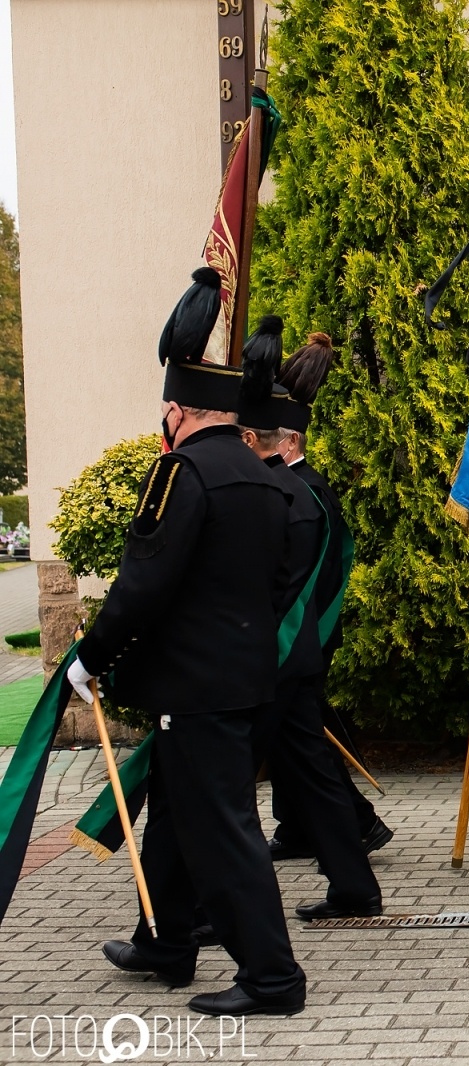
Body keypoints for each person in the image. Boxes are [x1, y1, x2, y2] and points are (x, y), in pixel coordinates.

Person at [66, 268, 307, 1016]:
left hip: (194, 688)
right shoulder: (268, 479)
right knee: (180, 816)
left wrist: (91, 656)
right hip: (241, 677)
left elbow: (144, 584)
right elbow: (273, 586)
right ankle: (167, 941)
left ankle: (272, 978)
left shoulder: (180, 474)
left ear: (176, 411)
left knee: (224, 833)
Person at [236, 325, 383, 922]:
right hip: (290, 659)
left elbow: (283, 590)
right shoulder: (296, 489)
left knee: (222, 786)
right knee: (315, 776)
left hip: (271, 659)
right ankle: (353, 885)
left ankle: (203, 908)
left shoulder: (292, 494)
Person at [263, 333, 394, 861]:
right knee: (291, 739)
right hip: (295, 635)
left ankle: (359, 824)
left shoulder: (305, 492)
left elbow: (311, 578)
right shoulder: (293, 486)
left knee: (302, 741)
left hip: (302, 632)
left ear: (289, 441)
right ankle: (298, 827)